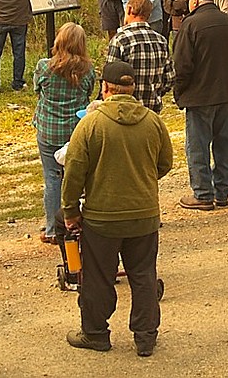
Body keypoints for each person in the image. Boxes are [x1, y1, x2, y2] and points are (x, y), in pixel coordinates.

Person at [61, 61, 173, 357]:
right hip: (144, 215)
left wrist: (70, 211)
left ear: (105, 88)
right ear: (132, 88)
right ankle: (146, 337)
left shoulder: (90, 125)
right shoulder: (153, 121)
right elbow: (165, 163)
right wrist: (141, 181)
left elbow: (74, 172)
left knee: (98, 277)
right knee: (143, 275)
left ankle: (95, 333)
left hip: (102, 218)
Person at [172, 0, 228, 210]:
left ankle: (203, 193)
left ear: (194, 1)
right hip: (226, 94)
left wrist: (180, 91)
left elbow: (182, 65)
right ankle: (222, 193)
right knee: (224, 145)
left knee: (198, 146)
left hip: (199, 97)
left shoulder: (190, 25)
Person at [32, 22, 96, 244]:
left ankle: (52, 229)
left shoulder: (44, 67)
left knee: (52, 178)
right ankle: (77, 223)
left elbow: (37, 89)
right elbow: (88, 93)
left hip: (48, 129)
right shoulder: (88, 70)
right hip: (75, 130)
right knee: (77, 177)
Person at [106, 0, 174, 115]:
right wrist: (155, 92)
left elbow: (109, 78)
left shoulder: (120, 40)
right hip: (151, 111)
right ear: (149, 14)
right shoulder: (161, 41)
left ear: (129, 9)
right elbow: (170, 78)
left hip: (124, 110)